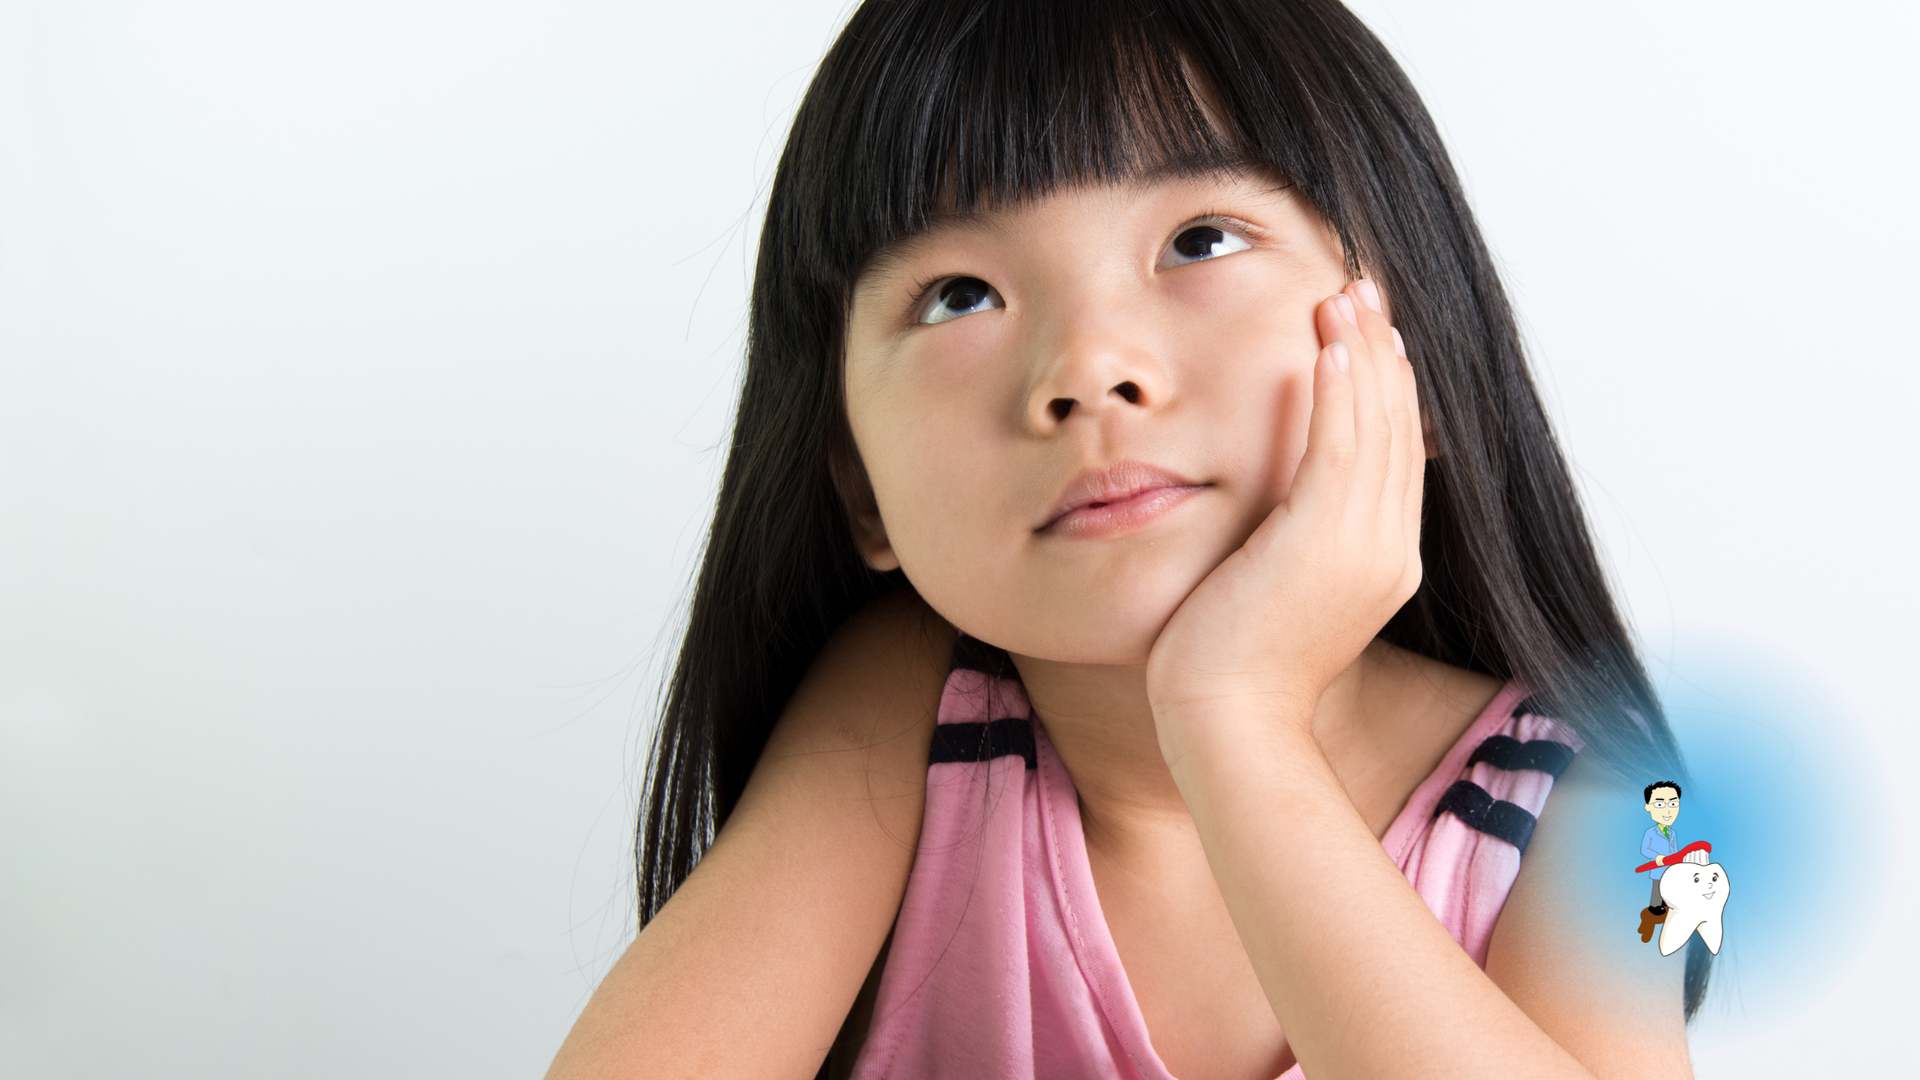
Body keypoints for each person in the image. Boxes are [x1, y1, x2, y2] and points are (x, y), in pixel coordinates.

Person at [546, 2, 1710, 1077]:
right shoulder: (911, 716)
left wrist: (1237, 720)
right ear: (857, 488)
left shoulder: (1625, 818)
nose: (1088, 368)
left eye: (1201, 240)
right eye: (959, 295)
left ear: (1419, 361)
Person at [1641, 781, 1685, 919]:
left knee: (1669, 887)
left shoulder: (1672, 833)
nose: (1668, 811)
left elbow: (1675, 849)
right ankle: (1655, 907)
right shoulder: (1650, 832)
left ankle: (1667, 904)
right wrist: (1656, 856)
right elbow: (1644, 849)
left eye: (1673, 804)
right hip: (1658, 867)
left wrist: (1679, 861)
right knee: (1657, 888)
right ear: (1648, 807)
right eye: (1660, 804)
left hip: (1671, 867)